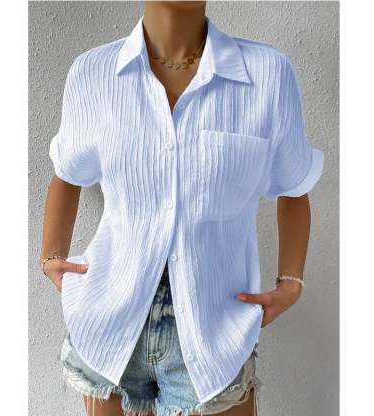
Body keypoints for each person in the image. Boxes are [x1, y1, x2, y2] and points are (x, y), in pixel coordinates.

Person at [41, 2, 324, 416]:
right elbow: (67, 172)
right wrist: (51, 257)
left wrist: (291, 280)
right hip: (111, 321)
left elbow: (294, 187)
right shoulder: (93, 73)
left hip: (214, 328)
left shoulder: (268, 74)